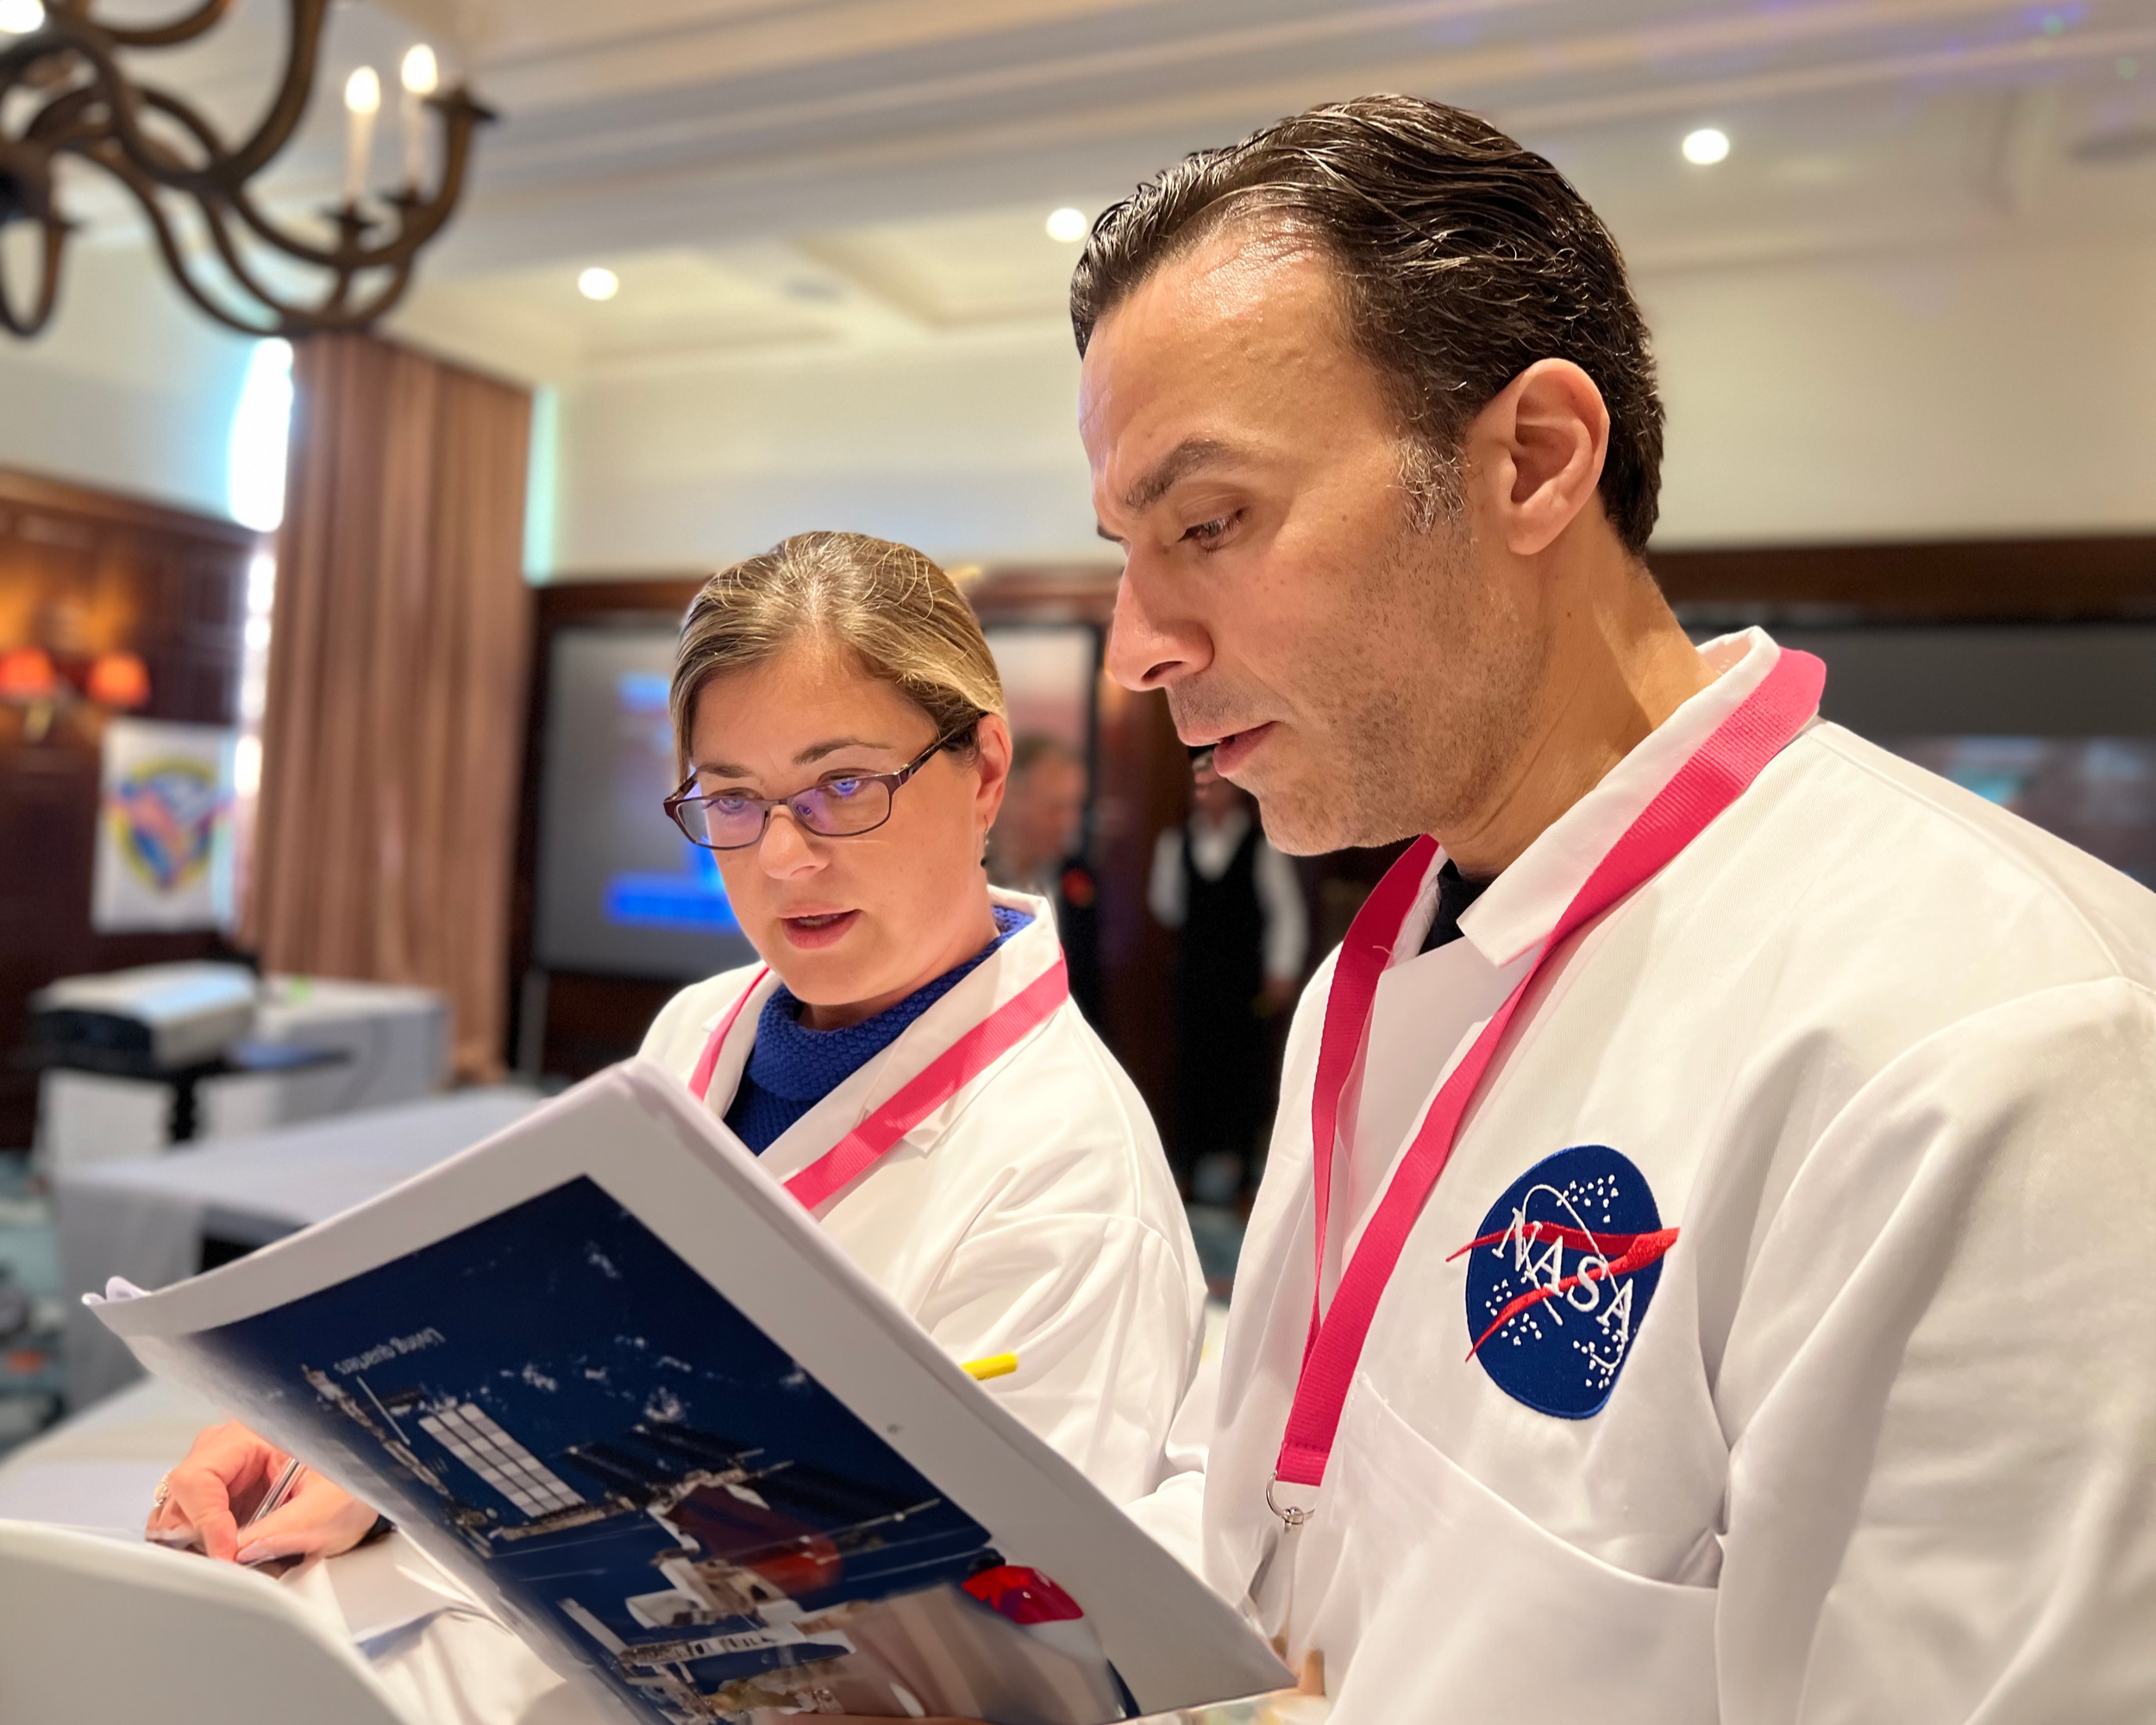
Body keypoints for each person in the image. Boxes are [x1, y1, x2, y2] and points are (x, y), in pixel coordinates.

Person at [1075, 96, 2156, 1721]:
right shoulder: (1381, 968)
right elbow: (1312, 1524)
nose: (1133, 645)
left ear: (1531, 461)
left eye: (1209, 524)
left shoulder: (2001, 1041)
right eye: (1125, 548)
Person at [147, 531, 1205, 1573]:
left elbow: (1023, 1641)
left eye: (841, 784)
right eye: (734, 799)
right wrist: (351, 1445)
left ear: (981, 771)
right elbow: (564, 1347)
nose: (784, 858)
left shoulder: (1069, 1185)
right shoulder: (697, 1031)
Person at [1148, 750, 1307, 1201]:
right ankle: (1191, 1169)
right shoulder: (1175, 844)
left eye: (1215, 786)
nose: (1206, 796)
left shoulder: (1262, 845)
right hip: (1196, 980)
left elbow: (1286, 913)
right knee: (1192, 1068)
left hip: (1242, 983)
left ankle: (1238, 1173)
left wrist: (1281, 969)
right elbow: (1167, 904)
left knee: (1240, 1071)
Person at [987, 732, 1104, 1025]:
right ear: (1010, 799)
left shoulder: (1078, 877)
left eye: (1075, 807)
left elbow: (1091, 987)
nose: (1070, 822)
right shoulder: (969, 875)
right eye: (1055, 808)